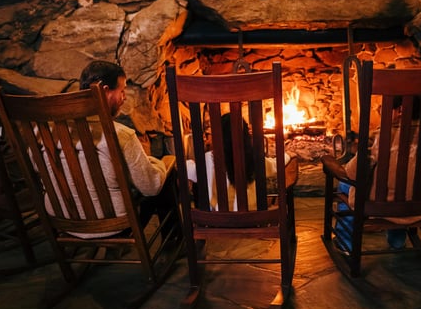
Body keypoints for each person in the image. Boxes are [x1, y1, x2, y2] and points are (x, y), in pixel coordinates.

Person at [45, 60, 179, 240]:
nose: (124, 97)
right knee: (165, 175)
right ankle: (175, 243)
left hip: (63, 219)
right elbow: (151, 187)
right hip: (113, 223)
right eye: (122, 90)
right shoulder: (121, 135)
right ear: (106, 91)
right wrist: (160, 163)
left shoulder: (46, 132)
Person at [334, 96, 421, 251]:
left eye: (384, 108)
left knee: (345, 183)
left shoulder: (380, 136)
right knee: (404, 187)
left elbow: (353, 173)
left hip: (381, 205)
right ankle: (397, 240)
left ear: (400, 110)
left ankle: (345, 242)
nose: (381, 112)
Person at [185, 113, 291, 211]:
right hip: (252, 220)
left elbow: (189, 170)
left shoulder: (208, 159)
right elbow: (276, 164)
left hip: (219, 222)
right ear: (246, 136)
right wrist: (288, 155)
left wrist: (178, 162)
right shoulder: (255, 160)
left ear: (218, 137)